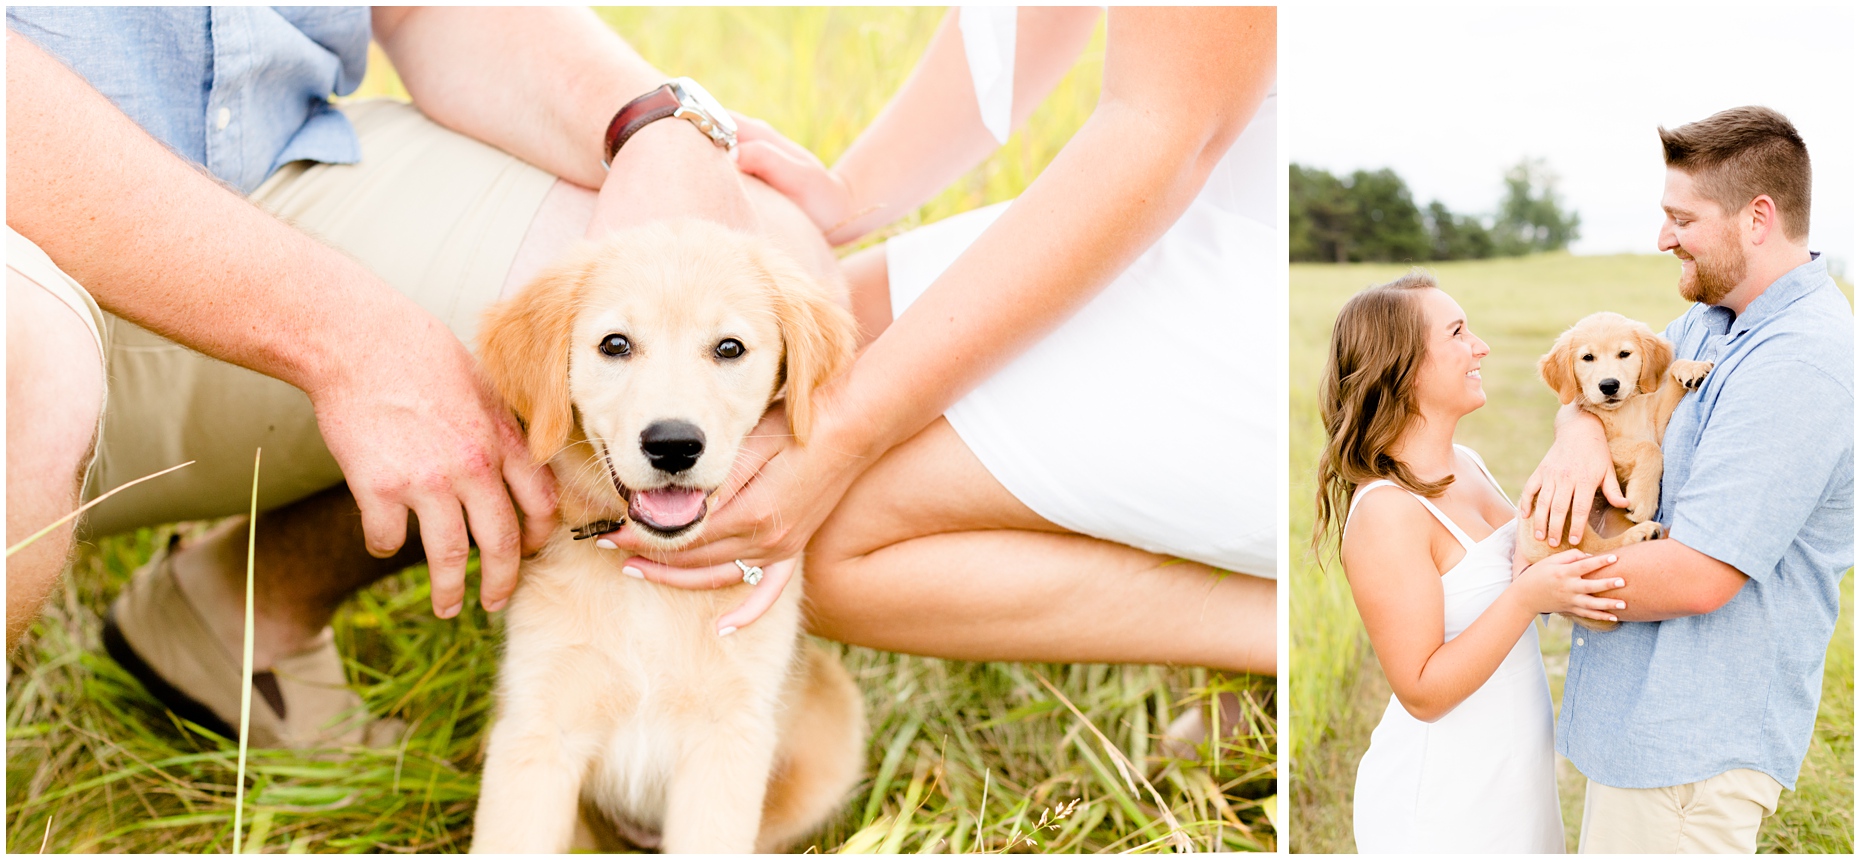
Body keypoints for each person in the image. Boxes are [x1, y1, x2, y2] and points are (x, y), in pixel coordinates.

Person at [5, 7, 828, 746]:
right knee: (26, 363)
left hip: (271, 178)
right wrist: (351, 339)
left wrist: (650, 126)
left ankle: (248, 606)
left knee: (741, 255)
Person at [596, 6, 1276, 676]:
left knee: (814, 534)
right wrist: (854, 191)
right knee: (811, 330)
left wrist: (846, 431)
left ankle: (1273, 632)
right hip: (1217, 192)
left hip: (1256, 249)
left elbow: (1170, 125)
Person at [1518, 106, 1852, 853]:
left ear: (1756, 218)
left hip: (1691, 749)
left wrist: (1529, 587)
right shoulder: (1714, 320)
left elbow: (1699, 574)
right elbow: (1607, 392)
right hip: (1643, 731)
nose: (1663, 238)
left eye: (1681, 219)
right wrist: (1575, 437)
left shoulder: (1802, 361)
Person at [1313, 271, 1627, 852]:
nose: (1479, 346)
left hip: (1513, 772)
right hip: (1445, 800)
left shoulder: (1469, 462)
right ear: (1402, 367)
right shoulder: (1388, 512)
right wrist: (1529, 597)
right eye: (1457, 332)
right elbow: (1422, 692)